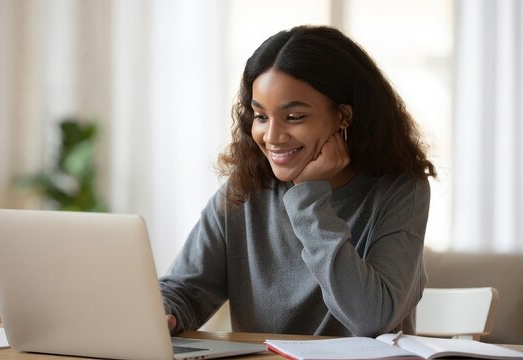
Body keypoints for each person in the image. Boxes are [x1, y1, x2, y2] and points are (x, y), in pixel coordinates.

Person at [159, 25, 436, 337]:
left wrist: (308, 200)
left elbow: (372, 318)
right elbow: (185, 291)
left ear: (343, 116)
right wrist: (164, 312)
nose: (272, 137)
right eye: (261, 117)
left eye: (293, 118)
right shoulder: (246, 190)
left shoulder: (401, 191)